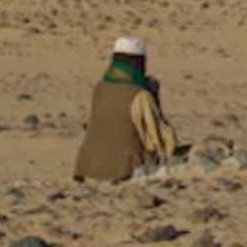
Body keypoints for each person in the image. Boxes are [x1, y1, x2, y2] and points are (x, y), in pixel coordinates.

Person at [73, 36, 177, 182]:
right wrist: (155, 99)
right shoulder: (141, 95)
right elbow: (161, 143)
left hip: (87, 170)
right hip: (124, 172)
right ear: (136, 64)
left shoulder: (100, 88)